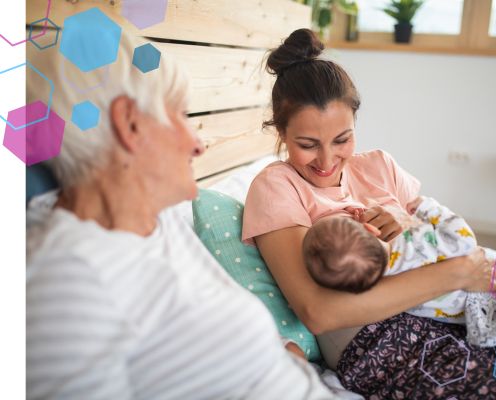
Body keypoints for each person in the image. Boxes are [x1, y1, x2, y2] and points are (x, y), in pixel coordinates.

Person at [242, 28, 496, 399]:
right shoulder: (276, 186)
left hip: (456, 307)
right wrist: (455, 273)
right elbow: (317, 312)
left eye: (342, 139)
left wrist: (409, 226)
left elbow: (436, 232)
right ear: (281, 132)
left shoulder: (380, 166)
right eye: (308, 145)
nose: (327, 160)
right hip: (379, 336)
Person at [26, 30, 338, 399]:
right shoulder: (67, 274)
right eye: (181, 115)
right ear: (130, 125)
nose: (198, 143)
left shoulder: (161, 218)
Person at [302, 196, 476, 323]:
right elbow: (465, 241)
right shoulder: (413, 245)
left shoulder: (391, 289)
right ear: (371, 229)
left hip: (471, 317)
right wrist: (429, 208)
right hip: (488, 284)